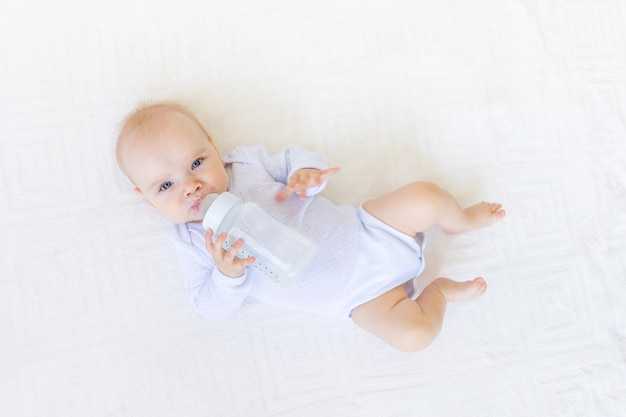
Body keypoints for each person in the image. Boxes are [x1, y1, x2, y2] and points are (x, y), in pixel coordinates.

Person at [115, 102, 506, 352]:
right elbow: (207, 306)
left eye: (197, 163)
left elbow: (294, 159)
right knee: (414, 336)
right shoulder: (194, 243)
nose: (191, 186)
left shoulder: (244, 166)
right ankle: (438, 293)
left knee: (426, 196)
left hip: (370, 230)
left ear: (214, 147)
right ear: (144, 197)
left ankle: (461, 220)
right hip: (360, 298)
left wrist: (306, 174)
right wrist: (227, 275)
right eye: (165, 186)